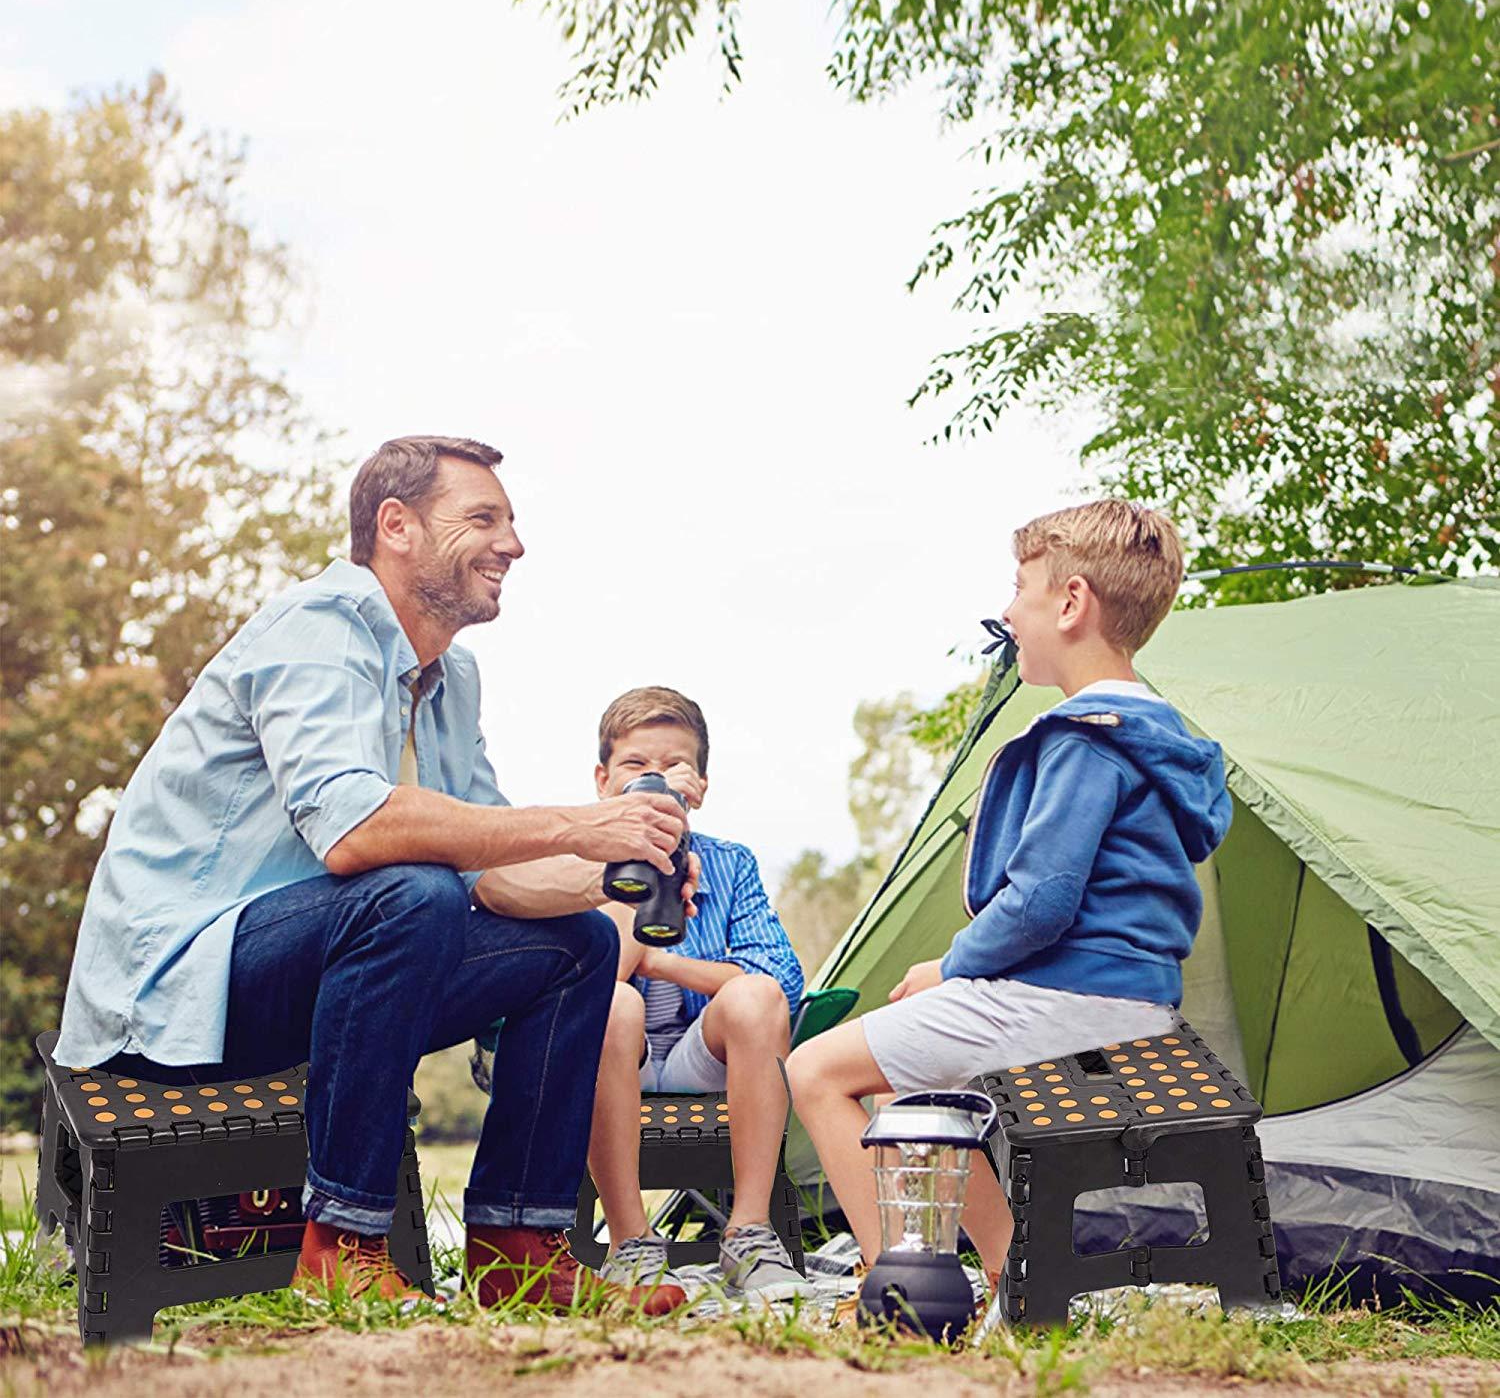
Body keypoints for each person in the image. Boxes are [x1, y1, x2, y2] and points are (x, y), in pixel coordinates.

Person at [53, 435, 694, 1314]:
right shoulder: (320, 626)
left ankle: (517, 1251)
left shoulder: (451, 676)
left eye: (511, 522)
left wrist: (612, 873)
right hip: (177, 988)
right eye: (484, 518)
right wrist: (581, 823)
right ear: (396, 525)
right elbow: (353, 831)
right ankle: (342, 1247)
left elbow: (494, 872)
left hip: (331, 967)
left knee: (580, 945)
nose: (513, 544)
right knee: (411, 891)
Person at [787, 500, 1232, 1298]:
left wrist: (951, 967)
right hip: (1134, 1000)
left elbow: (1040, 904)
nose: (1008, 610)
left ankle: (899, 1284)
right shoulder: (1157, 735)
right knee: (895, 1076)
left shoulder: (1088, 737)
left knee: (816, 1068)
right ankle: (1007, 1273)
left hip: (1075, 1000)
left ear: (1070, 603)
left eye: (1021, 589)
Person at [583, 687, 809, 1302]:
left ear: (700, 786)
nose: (654, 779)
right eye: (636, 766)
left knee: (755, 997)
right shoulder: (576, 860)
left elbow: (779, 979)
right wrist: (638, 866)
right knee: (613, 1004)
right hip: (608, 1054)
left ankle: (749, 1232)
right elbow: (586, 986)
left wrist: (662, 960)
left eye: (673, 768)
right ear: (603, 781)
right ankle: (631, 1242)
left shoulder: (730, 865)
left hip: (696, 1053)